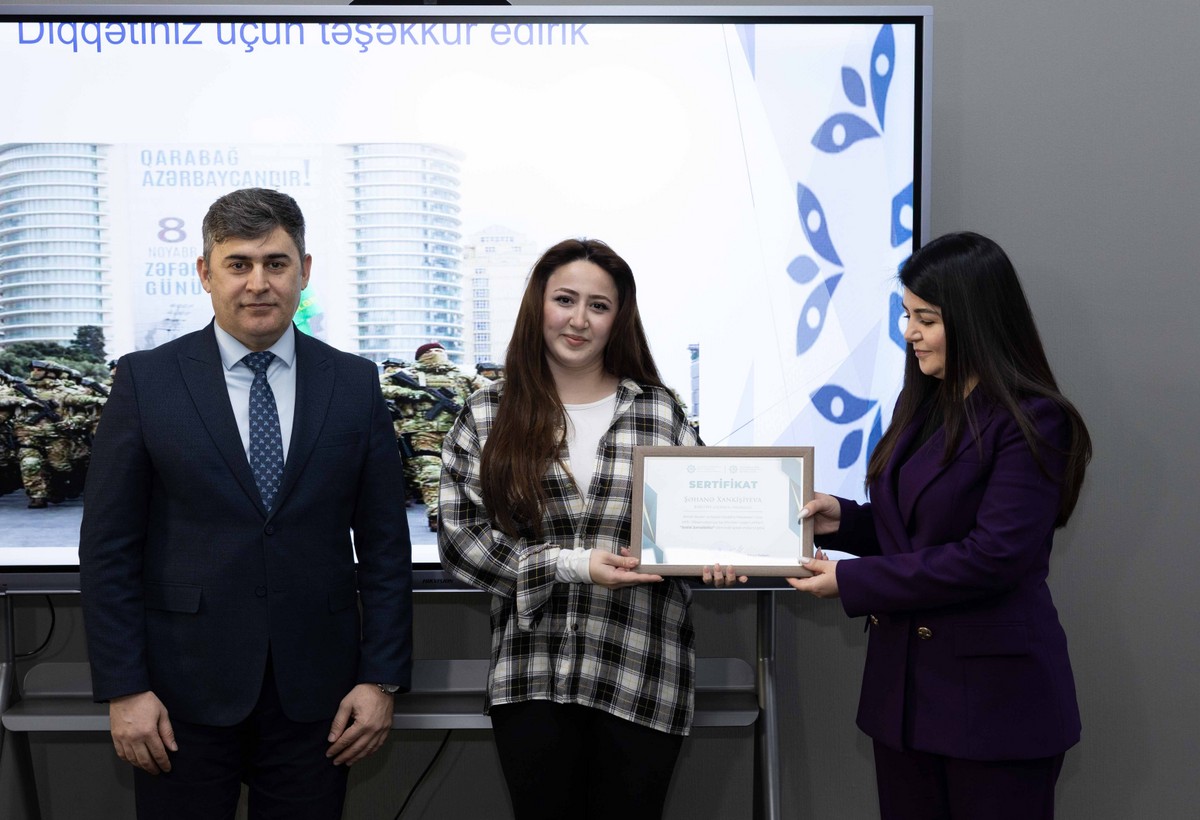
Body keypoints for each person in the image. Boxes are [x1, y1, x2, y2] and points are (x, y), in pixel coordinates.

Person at [79, 188, 414, 820]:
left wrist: (381, 679)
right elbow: (108, 551)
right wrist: (124, 688)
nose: (258, 283)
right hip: (177, 697)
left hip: (319, 698)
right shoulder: (146, 381)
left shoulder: (353, 382)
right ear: (205, 273)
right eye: (238, 264)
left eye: (276, 263)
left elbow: (385, 548)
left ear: (303, 271)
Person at [788, 232, 1092, 820]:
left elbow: (991, 557)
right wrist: (842, 522)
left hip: (997, 707)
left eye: (926, 319)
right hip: (905, 701)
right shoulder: (923, 402)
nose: (910, 332)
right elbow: (916, 531)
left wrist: (852, 582)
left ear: (976, 318)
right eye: (906, 315)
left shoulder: (1034, 419)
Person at [438, 238, 735, 820]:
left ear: (618, 319)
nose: (579, 320)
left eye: (598, 306)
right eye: (565, 300)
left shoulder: (659, 412)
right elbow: (460, 541)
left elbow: (701, 521)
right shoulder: (486, 413)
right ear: (538, 305)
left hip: (643, 670)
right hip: (531, 675)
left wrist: (725, 556)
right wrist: (572, 564)